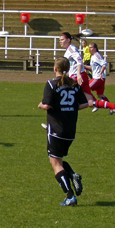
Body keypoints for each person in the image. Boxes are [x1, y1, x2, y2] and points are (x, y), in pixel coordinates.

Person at [38, 57, 89, 206]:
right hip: (70, 130)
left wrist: (41, 105)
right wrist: (70, 109)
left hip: (56, 129)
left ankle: (70, 196)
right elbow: (84, 104)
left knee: (55, 162)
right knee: (58, 159)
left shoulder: (51, 84)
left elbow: (47, 105)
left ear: (55, 69)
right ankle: (72, 175)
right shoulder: (74, 85)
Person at [59, 32, 115, 116]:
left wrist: (78, 74)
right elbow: (74, 66)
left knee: (64, 96)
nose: (60, 42)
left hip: (78, 78)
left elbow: (79, 61)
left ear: (68, 40)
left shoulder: (71, 49)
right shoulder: (69, 50)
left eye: (62, 40)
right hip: (81, 76)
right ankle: (114, 106)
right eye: (59, 40)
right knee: (91, 102)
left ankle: (58, 121)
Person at [85, 42, 115, 117]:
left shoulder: (96, 55)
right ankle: (113, 107)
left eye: (91, 47)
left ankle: (95, 103)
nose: (89, 49)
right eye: (89, 47)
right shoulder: (94, 56)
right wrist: (84, 66)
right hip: (100, 78)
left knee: (85, 89)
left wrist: (100, 72)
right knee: (100, 95)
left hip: (98, 78)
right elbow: (92, 68)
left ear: (95, 48)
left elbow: (104, 63)